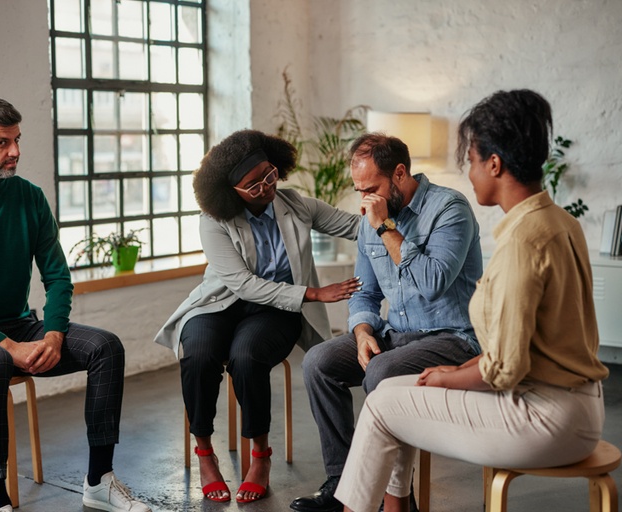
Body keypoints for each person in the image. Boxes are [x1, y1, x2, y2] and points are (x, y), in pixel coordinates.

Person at [334, 89, 611, 512]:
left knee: (383, 403)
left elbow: (504, 368)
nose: (469, 172)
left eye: (471, 161)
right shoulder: (559, 222)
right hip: (577, 407)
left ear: (494, 164)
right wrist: (457, 369)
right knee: (387, 393)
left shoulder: (522, 241)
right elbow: (524, 347)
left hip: (543, 417)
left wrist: (448, 377)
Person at [0, 96, 150, 512]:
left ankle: (99, 480)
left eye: (17, 140)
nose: (16, 152)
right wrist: (8, 346)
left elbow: (57, 276)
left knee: (105, 347)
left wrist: (55, 333)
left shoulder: (30, 198)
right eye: (2, 143)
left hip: (20, 325)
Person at [154, 129, 362, 503]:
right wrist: (314, 293)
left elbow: (355, 227)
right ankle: (205, 453)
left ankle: (260, 456)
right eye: (253, 185)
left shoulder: (297, 204)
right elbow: (243, 285)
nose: (266, 187)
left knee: (247, 357)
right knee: (198, 355)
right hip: (219, 303)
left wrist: (393, 221)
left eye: (269, 174)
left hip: (276, 309)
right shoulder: (214, 220)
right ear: (229, 191)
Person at [291, 133, 483, 512]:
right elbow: (365, 294)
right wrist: (362, 332)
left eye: (372, 188)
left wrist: (385, 228)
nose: (365, 199)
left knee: (381, 371)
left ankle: (395, 497)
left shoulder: (449, 210)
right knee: (319, 362)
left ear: (399, 173)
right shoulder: (370, 217)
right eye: (359, 190)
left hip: (452, 337)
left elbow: (431, 283)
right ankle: (345, 483)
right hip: (395, 332)